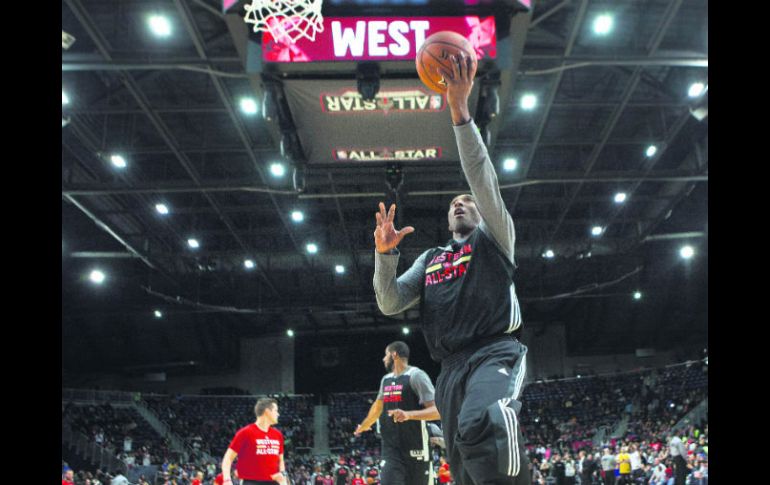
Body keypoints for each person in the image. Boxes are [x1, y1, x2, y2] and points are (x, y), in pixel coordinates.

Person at [372, 52, 529, 485]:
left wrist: (459, 111)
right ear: (446, 220)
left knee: (488, 419)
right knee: (463, 464)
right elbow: (388, 303)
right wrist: (385, 257)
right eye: (452, 204)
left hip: (494, 351)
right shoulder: (430, 259)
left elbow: (481, 177)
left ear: (483, 212)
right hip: (450, 370)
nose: (460, 203)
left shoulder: (494, 237)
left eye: (467, 201)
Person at [354, 341, 440, 485]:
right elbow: (377, 406)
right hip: (391, 450)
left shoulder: (416, 376)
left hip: (416, 448)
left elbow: (437, 411)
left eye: (385, 355)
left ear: (394, 355)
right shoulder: (386, 380)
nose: (383, 359)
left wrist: (408, 415)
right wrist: (364, 425)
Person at [222, 397, 287, 485]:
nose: (278, 414)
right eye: (276, 410)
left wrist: (283, 478)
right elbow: (228, 458)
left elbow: (281, 461)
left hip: (274, 482)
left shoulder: (278, 435)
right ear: (267, 411)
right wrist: (227, 480)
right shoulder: (245, 432)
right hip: (251, 482)